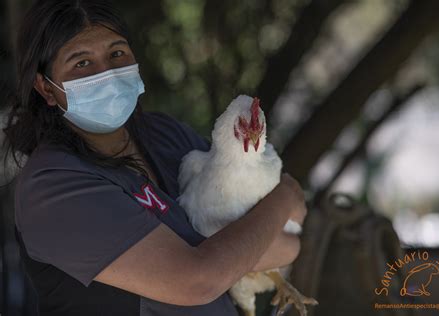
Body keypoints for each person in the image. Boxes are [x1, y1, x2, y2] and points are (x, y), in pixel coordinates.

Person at [2, 0, 308, 315]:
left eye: (117, 53)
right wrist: (284, 198)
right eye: (81, 63)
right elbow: (197, 280)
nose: (107, 72)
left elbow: (287, 243)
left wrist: (228, 251)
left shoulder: (163, 135)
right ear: (46, 88)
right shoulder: (53, 187)